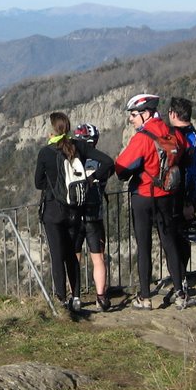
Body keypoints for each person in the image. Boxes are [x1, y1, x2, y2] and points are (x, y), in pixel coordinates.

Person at [114, 93, 190, 310]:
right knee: (169, 243)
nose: (131, 119)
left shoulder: (142, 138)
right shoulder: (172, 134)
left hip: (144, 196)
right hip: (166, 196)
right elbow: (182, 154)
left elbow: (121, 168)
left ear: (146, 113)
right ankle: (180, 293)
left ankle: (145, 297)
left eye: (134, 115)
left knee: (144, 245)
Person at [35, 112, 114, 313]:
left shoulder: (45, 152)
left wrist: (53, 186)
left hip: (53, 211)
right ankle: (78, 297)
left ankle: (62, 298)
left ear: (52, 130)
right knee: (72, 255)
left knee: (57, 255)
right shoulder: (77, 146)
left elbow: (38, 183)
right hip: (74, 210)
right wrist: (91, 179)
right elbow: (107, 162)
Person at [71, 123, 112, 311]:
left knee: (74, 258)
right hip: (95, 217)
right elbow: (110, 170)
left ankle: (74, 296)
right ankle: (101, 297)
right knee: (98, 259)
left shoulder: (71, 162)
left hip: (74, 217)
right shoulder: (101, 164)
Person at [167, 97, 196, 276]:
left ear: (173, 114)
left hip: (180, 198)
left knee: (179, 240)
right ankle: (178, 279)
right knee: (177, 239)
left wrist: (189, 202)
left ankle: (179, 280)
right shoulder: (192, 136)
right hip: (177, 196)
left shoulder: (188, 138)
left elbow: (194, 172)